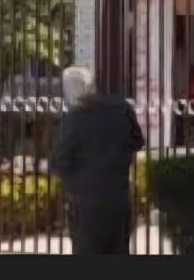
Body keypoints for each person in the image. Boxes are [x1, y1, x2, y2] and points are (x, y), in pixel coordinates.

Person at [53, 65, 143, 254]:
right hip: (118, 200)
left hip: (85, 205)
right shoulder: (122, 108)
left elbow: (61, 160)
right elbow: (138, 141)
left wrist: (72, 185)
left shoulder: (73, 118)